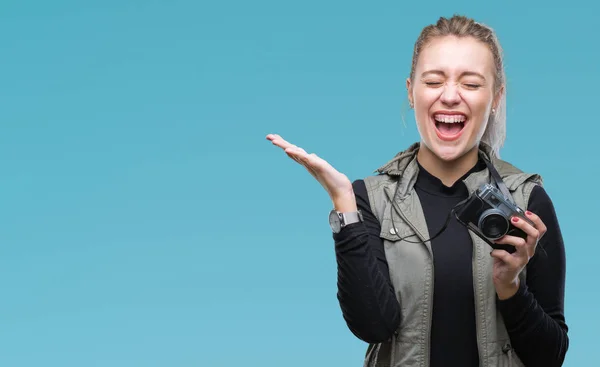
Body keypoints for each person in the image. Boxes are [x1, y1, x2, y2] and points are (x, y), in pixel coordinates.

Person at [266, 14, 568, 367]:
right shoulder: (371, 200)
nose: (451, 96)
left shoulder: (526, 199)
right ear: (411, 91)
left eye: (471, 84)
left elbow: (551, 356)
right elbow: (373, 326)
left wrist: (510, 286)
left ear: (496, 97)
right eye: (434, 81)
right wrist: (344, 205)